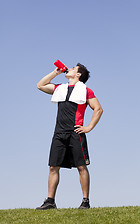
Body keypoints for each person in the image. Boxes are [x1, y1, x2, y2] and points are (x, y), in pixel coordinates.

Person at [36, 63, 103, 210]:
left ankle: (85, 201)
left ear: (78, 75)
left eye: (73, 69)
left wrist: (89, 127)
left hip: (75, 132)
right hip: (59, 133)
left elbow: (98, 109)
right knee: (53, 167)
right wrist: (55, 73)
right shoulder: (60, 88)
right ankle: (50, 201)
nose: (69, 69)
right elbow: (40, 85)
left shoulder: (86, 91)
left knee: (81, 166)